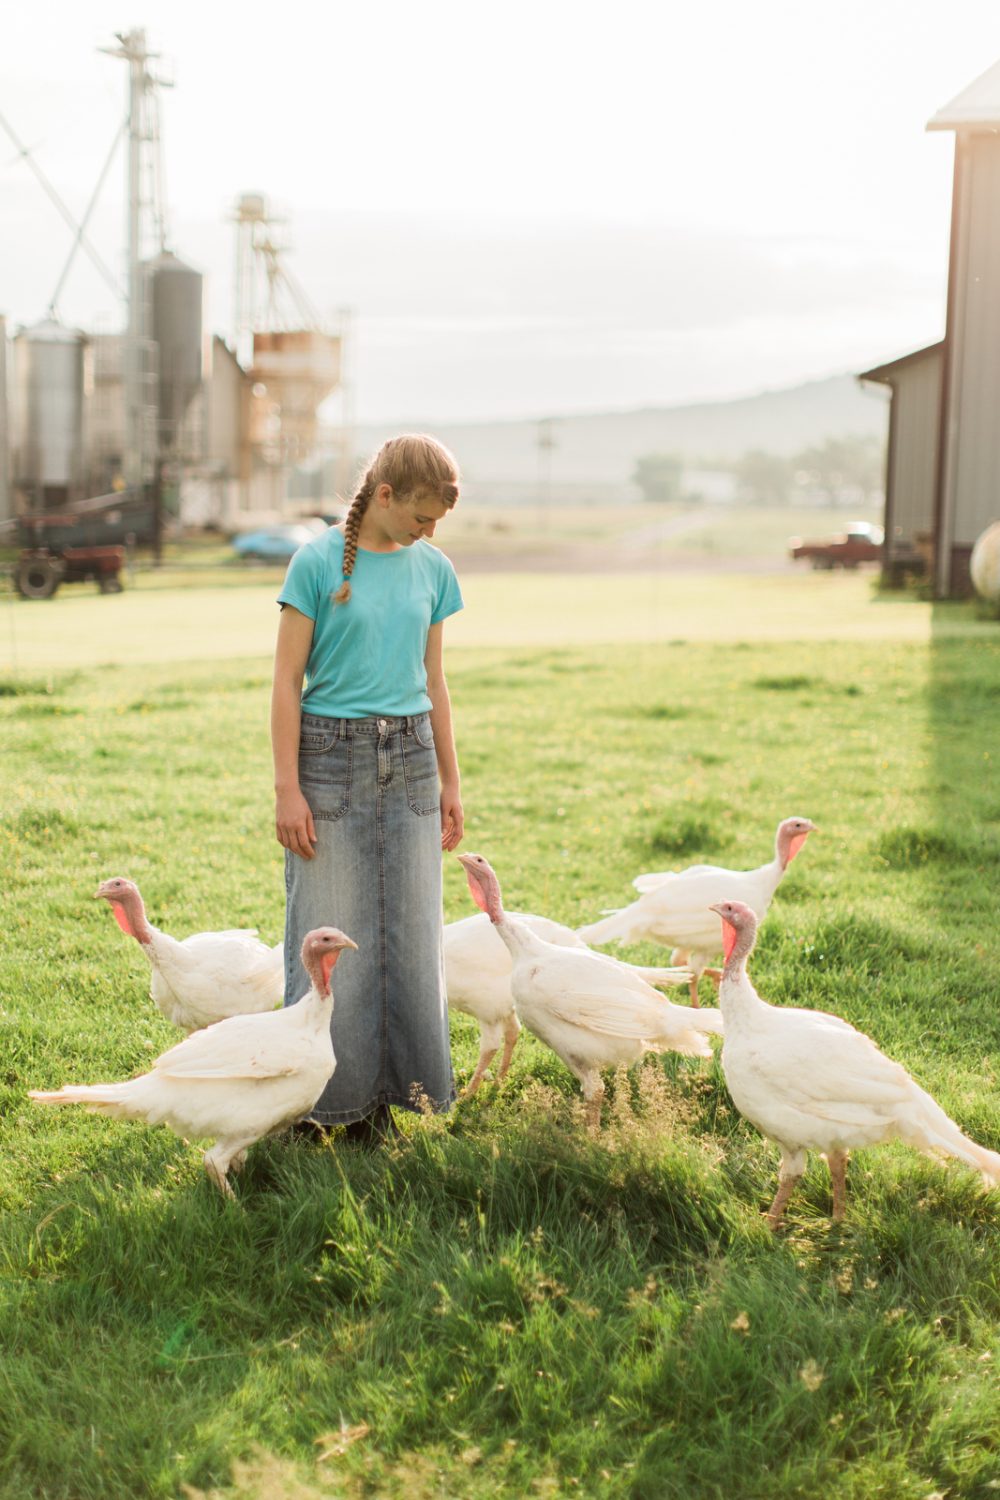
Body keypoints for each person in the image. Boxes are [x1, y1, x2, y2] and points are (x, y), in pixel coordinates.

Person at [271, 433, 464, 1144]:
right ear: (384, 496)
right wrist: (287, 788)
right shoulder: (318, 562)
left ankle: (386, 1103)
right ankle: (320, 1105)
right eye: (421, 516)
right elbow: (287, 683)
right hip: (331, 761)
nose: (429, 531)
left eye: (438, 521)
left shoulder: (434, 569)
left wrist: (450, 781)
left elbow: (434, 681)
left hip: (411, 757)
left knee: (410, 934)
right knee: (329, 927)